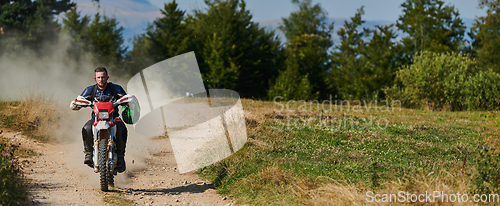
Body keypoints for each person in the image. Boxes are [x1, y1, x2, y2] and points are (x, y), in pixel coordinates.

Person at [70, 67, 128, 173]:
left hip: (113, 118)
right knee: (86, 128)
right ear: (95, 78)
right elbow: (79, 100)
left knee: (122, 128)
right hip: (96, 118)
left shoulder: (116, 88)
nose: (101, 79)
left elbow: (126, 99)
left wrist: (129, 101)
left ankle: (120, 157)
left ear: (107, 77)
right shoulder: (90, 90)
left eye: (103, 77)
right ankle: (88, 153)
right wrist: (76, 104)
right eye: (99, 77)